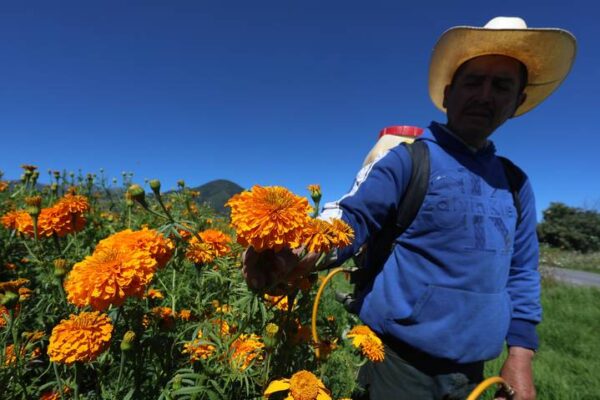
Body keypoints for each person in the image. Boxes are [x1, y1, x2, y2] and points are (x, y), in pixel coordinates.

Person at [243, 17, 576, 400]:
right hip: (398, 364)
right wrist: (294, 251)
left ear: (517, 102)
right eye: (473, 81)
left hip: (475, 368)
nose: (485, 94)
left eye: (501, 85)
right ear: (449, 94)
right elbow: (354, 219)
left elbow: (521, 272)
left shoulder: (515, 183)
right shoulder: (408, 161)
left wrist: (520, 355)